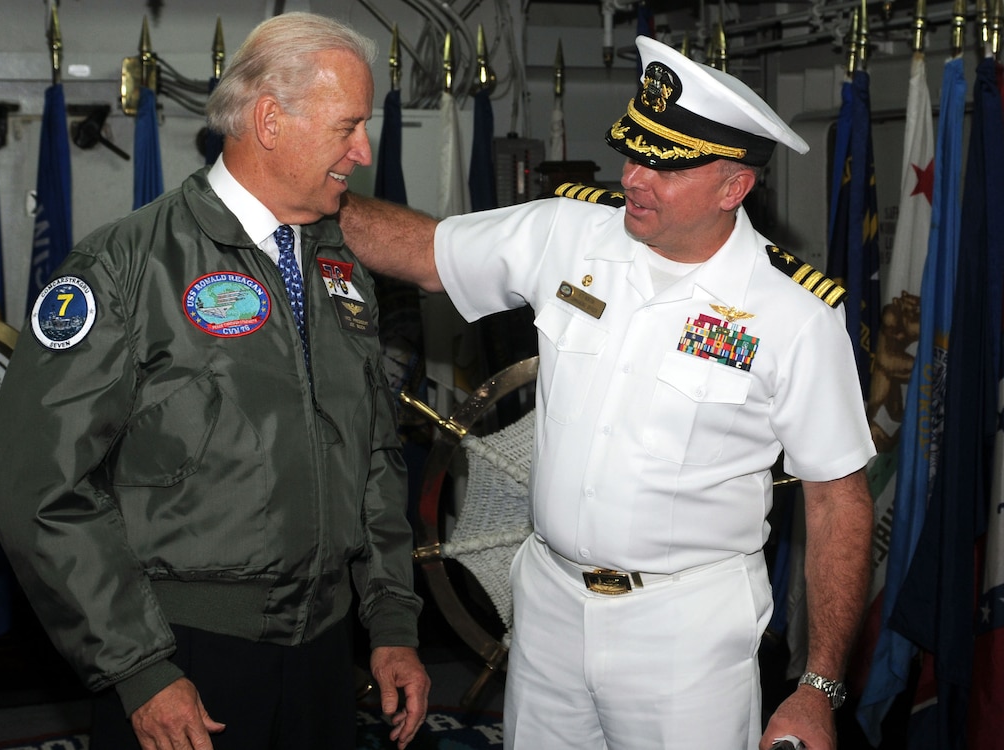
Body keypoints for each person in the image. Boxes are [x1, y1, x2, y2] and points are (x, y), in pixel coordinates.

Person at [339, 35, 875, 750]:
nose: (635, 178)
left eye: (666, 165)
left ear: (733, 186)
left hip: (685, 636)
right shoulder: (570, 233)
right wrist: (306, 197)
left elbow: (838, 499)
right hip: (550, 611)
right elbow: (426, 253)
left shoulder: (794, 316)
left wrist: (819, 688)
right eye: (634, 152)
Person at [0, 12, 429, 750]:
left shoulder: (339, 270)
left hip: (325, 655)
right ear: (269, 120)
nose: (362, 149)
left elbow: (376, 456)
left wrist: (390, 622)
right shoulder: (125, 268)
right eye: (347, 125)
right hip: (183, 654)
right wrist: (140, 668)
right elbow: (41, 488)